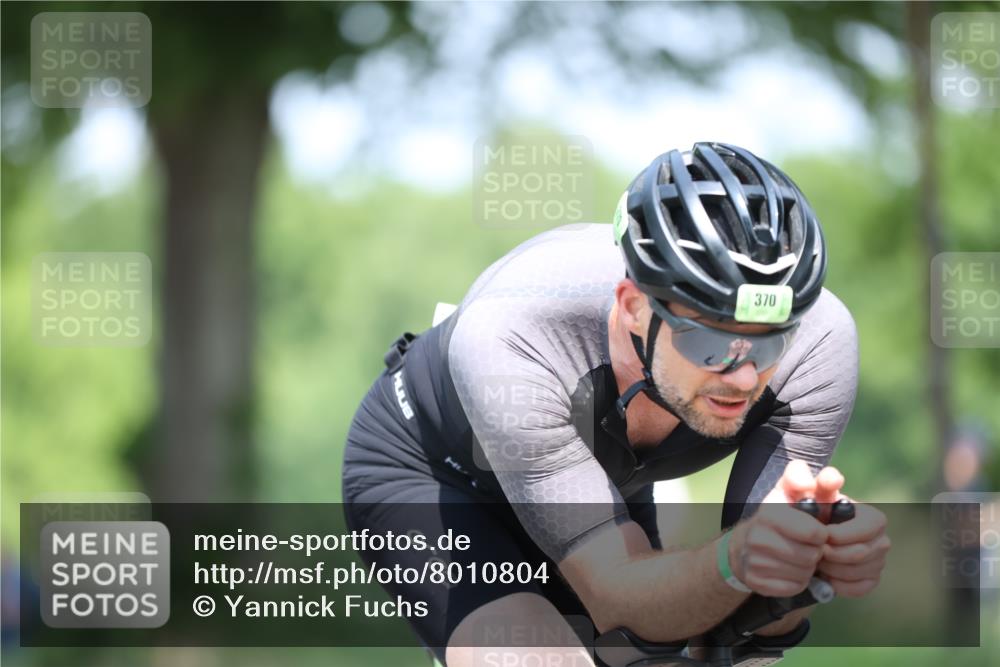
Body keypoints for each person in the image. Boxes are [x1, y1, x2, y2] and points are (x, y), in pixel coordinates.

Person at [341, 142, 890, 666]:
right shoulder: (514, 332)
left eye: (771, 340)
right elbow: (620, 595)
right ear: (633, 307)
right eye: (711, 341)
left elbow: (741, 632)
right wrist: (734, 559)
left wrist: (808, 568)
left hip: (600, 482)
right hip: (438, 476)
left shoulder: (820, 346)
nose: (744, 376)